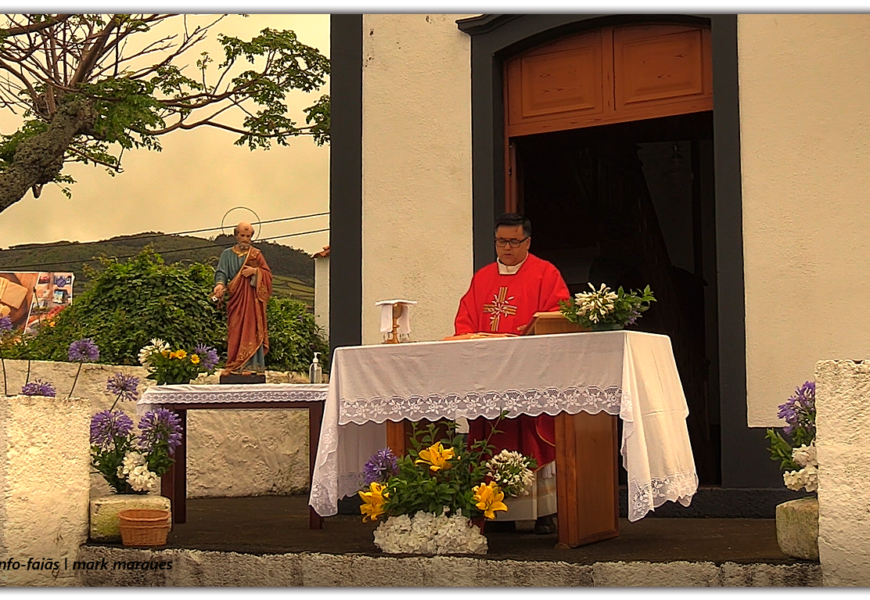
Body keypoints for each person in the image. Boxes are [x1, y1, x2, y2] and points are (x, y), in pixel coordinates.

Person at [454, 212, 571, 534]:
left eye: (513, 241)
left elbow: (560, 315)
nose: (506, 248)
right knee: (489, 440)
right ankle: (492, 509)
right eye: (501, 241)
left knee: (531, 435)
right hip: (488, 375)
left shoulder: (546, 274)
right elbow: (464, 320)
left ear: (527, 242)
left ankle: (542, 510)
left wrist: (531, 331)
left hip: (529, 372)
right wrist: (472, 339)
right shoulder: (483, 277)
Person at [212, 221, 273, 376]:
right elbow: (221, 273)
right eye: (242, 235)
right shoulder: (227, 254)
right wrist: (219, 285)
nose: (245, 238)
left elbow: (268, 275)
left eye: (248, 236)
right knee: (235, 329)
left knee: (251, 330)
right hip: (235, 298)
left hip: (252, 301)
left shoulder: (256, 254)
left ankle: (251, 366)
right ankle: (233, 364)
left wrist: (255, 271)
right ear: (236, 235)